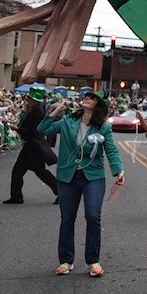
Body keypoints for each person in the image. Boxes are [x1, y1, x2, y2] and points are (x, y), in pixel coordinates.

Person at [40, 90, 124, 277]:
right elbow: (43, 129)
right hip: (68, 176)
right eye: (86, 96)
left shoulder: (103, 127)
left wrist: (119, 170)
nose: (87, 99)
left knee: (93, 216)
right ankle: (66, 260)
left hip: (92, 176)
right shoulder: (68, 121)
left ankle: (93, 261)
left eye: (92, 98)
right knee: (67, 219)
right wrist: (57, 110)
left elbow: (111, 150)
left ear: (99, 105)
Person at [4, 86, 59, 204]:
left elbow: (34, 130)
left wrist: (18, 129)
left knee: (39, 172)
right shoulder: (36, 109)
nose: (27, 100)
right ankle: (16, 196)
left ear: (34, 99)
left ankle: (61, 191)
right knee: (21, 172)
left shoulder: (37, 110)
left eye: (29, 98)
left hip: (33, 146)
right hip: (31, 145)